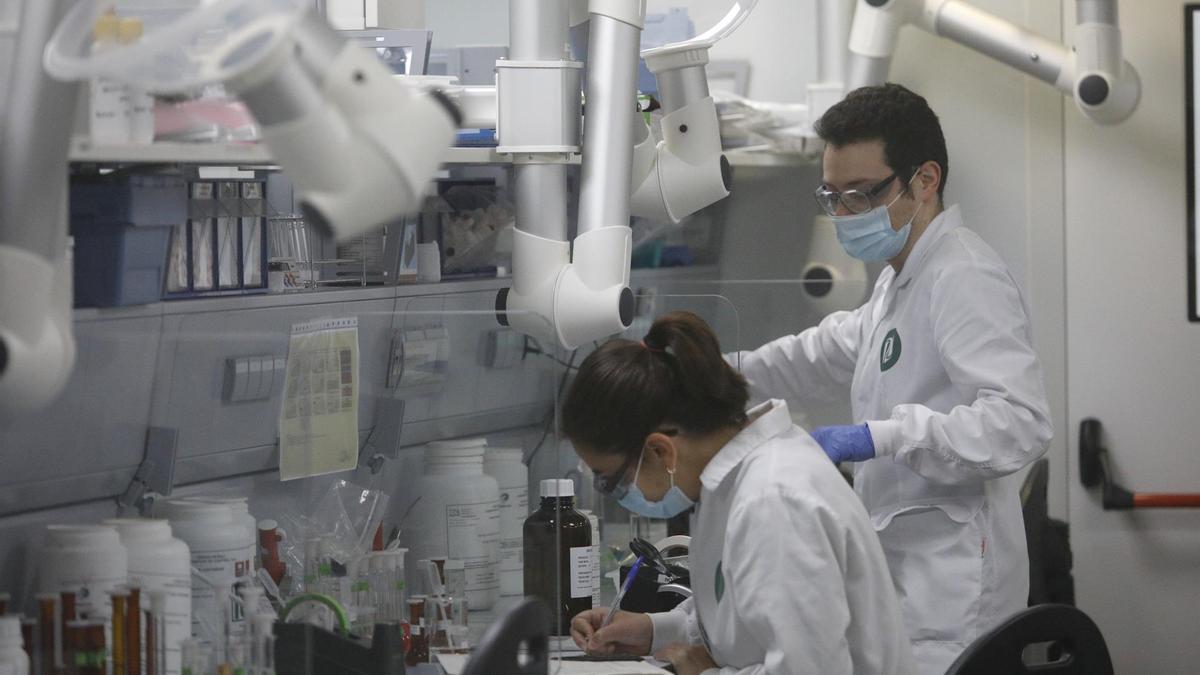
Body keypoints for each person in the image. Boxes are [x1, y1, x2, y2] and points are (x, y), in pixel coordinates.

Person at [730, 83, 1053, 672]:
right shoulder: (901, 280)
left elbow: (1020, 424)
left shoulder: (963, 275)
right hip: (914, 595)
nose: (846, 215)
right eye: (832, 196)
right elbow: (824, 350)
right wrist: (722, 373)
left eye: (860, 195)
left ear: (924, 180)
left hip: (956, 605)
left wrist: (882, 437)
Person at [563, 311, 915, 675]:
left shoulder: (774, 501)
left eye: (610, 480)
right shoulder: (729, 482)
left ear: (659, 451)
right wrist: (654, 630)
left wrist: (702, 673)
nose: (616, 493)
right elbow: (741, 623)